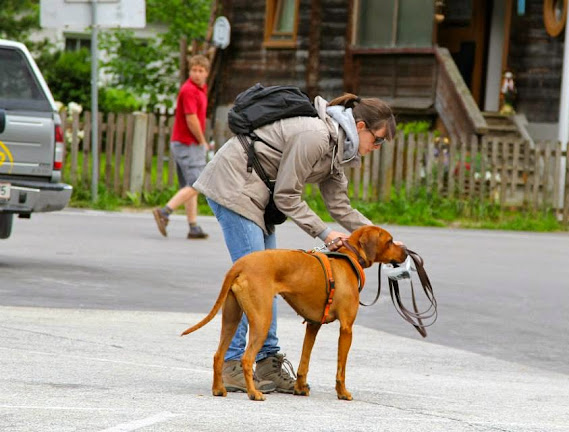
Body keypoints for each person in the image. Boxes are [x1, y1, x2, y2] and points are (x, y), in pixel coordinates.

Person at [192, 92, 396, 394]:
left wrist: (383, 239)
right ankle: (233, 364)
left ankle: (266, 362)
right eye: (377, 140)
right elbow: (286, 195)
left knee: (272, 280)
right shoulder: (316, 136)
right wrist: (324, 233)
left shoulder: (340, 150)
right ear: (361, 126)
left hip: (257, 197)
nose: (377, 148)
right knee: (256, 278)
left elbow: (340, 206)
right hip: (234, 186)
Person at [153, 54, 212, 239]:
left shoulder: (201, 89)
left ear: (206, 73)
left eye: (200, 70)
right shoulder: (189, 90)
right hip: (188, 144)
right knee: (197, 184)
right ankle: (165, 212)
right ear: (189, 71)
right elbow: (191, 118)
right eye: (194, 70)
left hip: (185, 143)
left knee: (190, 186)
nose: (196, 74)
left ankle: (193, 227)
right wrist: (202, 141)